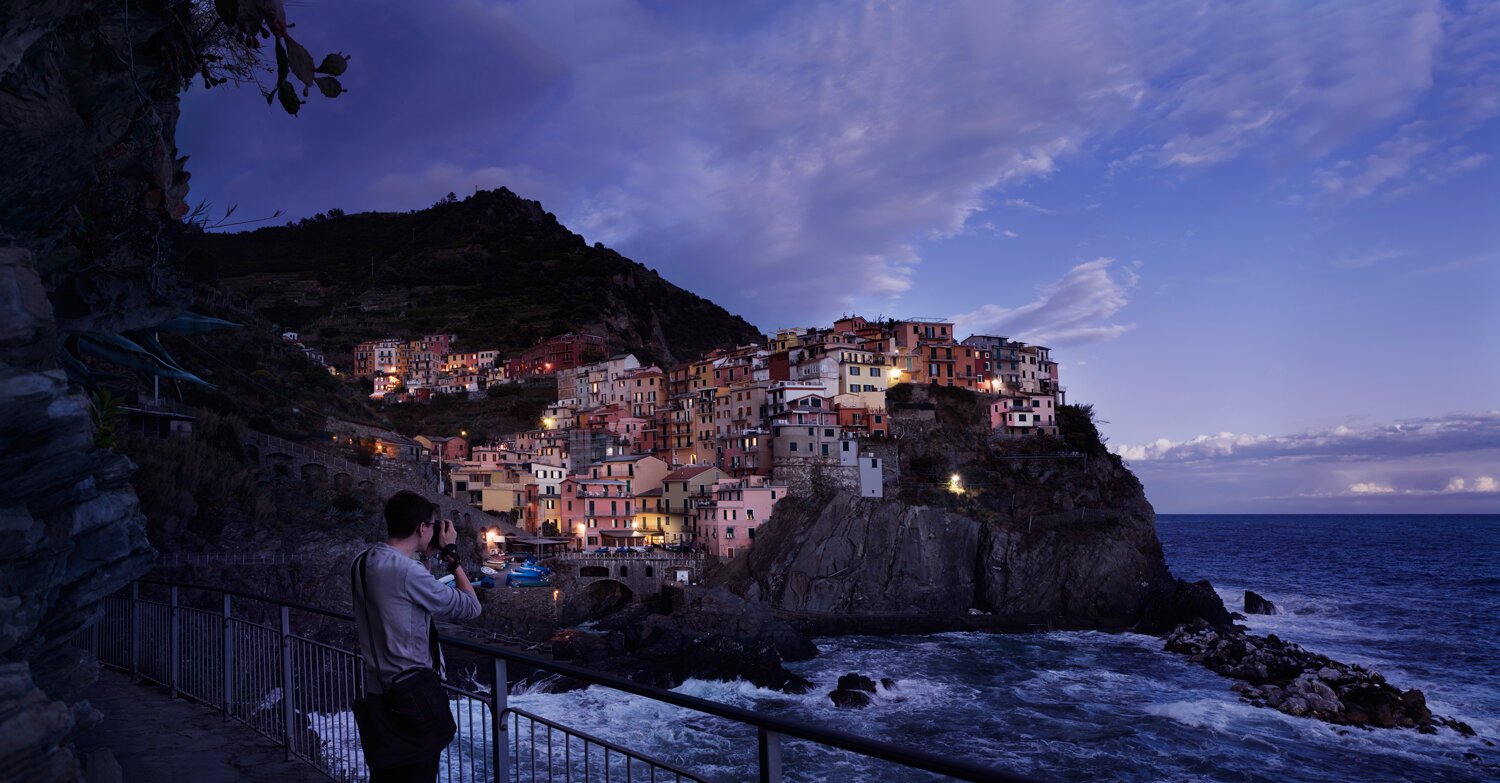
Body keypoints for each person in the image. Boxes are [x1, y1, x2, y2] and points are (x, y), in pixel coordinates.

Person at [352, 491, 482, 782]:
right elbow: (471, 607)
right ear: (422, 528)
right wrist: (451, 557)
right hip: (412, 698)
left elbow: (408, 597)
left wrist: (425, 554)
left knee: (388, 777)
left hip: (378, 691)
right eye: (432, 525)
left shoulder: (362, 561)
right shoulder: (406, 571)